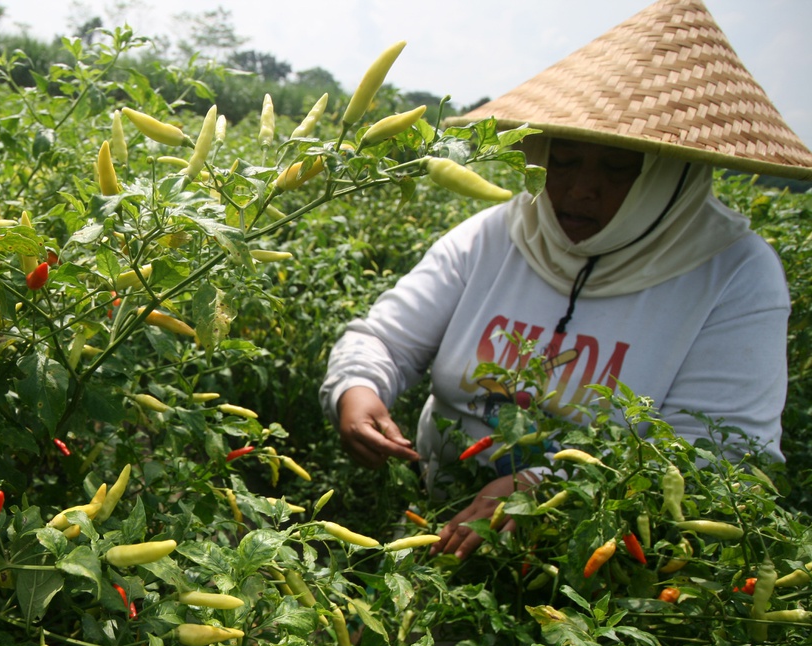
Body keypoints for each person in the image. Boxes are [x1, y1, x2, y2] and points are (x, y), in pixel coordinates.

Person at [319, 0, 812, 560]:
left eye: (618, 168)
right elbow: (384, 338)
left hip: (599, 560)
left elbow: (718, 457)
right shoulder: (501, 233)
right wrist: (358, 388)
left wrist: (543, 489)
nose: (580, 189)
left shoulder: (732, 273)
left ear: (671, 174)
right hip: (437, 522)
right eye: (565, 160)